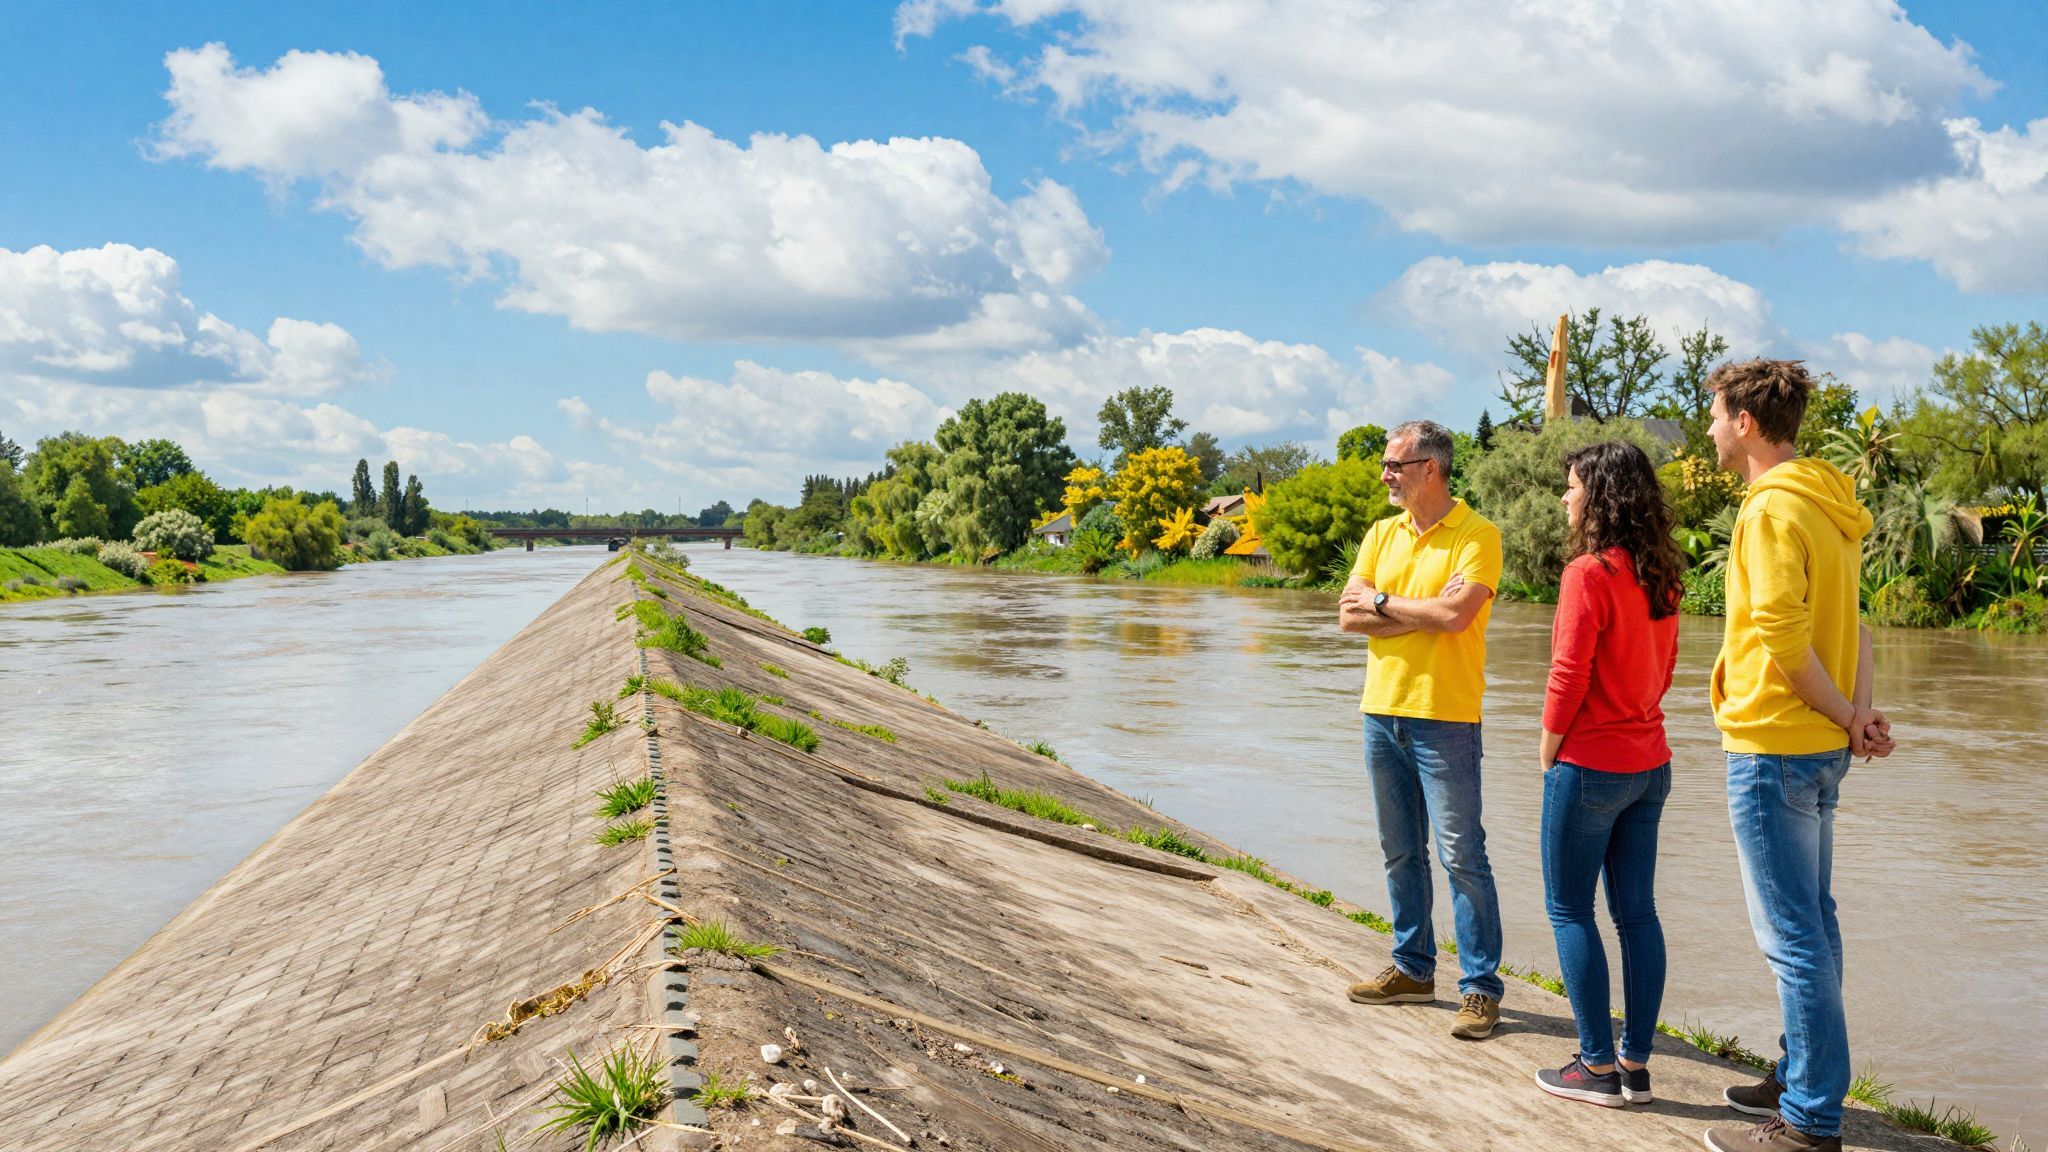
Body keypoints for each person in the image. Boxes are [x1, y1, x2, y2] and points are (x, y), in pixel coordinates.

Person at [1699, 360, 1894, 1152]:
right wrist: (1858, 717)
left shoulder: (1772, 509)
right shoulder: (1830, 504)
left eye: (1714, 415)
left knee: (1793, 936)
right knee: (1814, 922)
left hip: (1774, 746)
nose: (1709, 429)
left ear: (1745, 422)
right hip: (1816, 747)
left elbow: (1782, 641)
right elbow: (1859, 628)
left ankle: (1810, 1120)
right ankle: (1798, 1071)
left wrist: (1850, 713)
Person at [1337, 419, 1507, 1040]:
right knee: (1400, 849)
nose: (1386, 474)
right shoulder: (1381, 533)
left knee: (1462, 854)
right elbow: (1348, 618)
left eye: (1395, 465)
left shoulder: (1478, 534)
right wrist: (1415, 612)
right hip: (1381, 711)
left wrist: (1384, 603)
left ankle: (1481, 988)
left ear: (1429, 469)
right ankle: (1412, 969)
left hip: (1447, 715)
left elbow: (1457, 616)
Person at [1530, 441, 1683, 1109]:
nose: (1565, 499)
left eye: (1571, 488)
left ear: (1597, 496)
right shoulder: (1663, 575)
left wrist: (1546, 747)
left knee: (1569, 908)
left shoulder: (1587, 573)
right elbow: (1664, 672)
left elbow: (1569, 672)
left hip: (1589, 763)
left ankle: (1594, 1069)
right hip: (1651, 763)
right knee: (1637, 915)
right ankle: (1635, 1068)